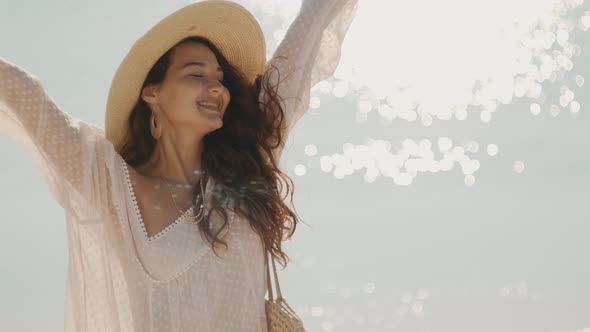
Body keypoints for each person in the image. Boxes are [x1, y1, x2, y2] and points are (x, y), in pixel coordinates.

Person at [0, 0, 359, 330]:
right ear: (151, 92)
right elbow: (22, 94)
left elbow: (312, 25)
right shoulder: (107, 182)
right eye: (196, 75)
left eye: (219, 78)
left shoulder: (248, 162)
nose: (216, 87)